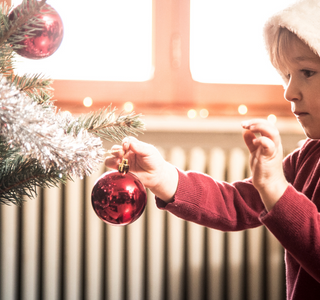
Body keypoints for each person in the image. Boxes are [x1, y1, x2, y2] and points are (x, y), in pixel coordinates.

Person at [105, 0, 320, 299]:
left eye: (307, 72)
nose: (288, 91)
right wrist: (166, 177)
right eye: (286, 75)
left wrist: (276, 189)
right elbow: (235, 203)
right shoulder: (308, 155)